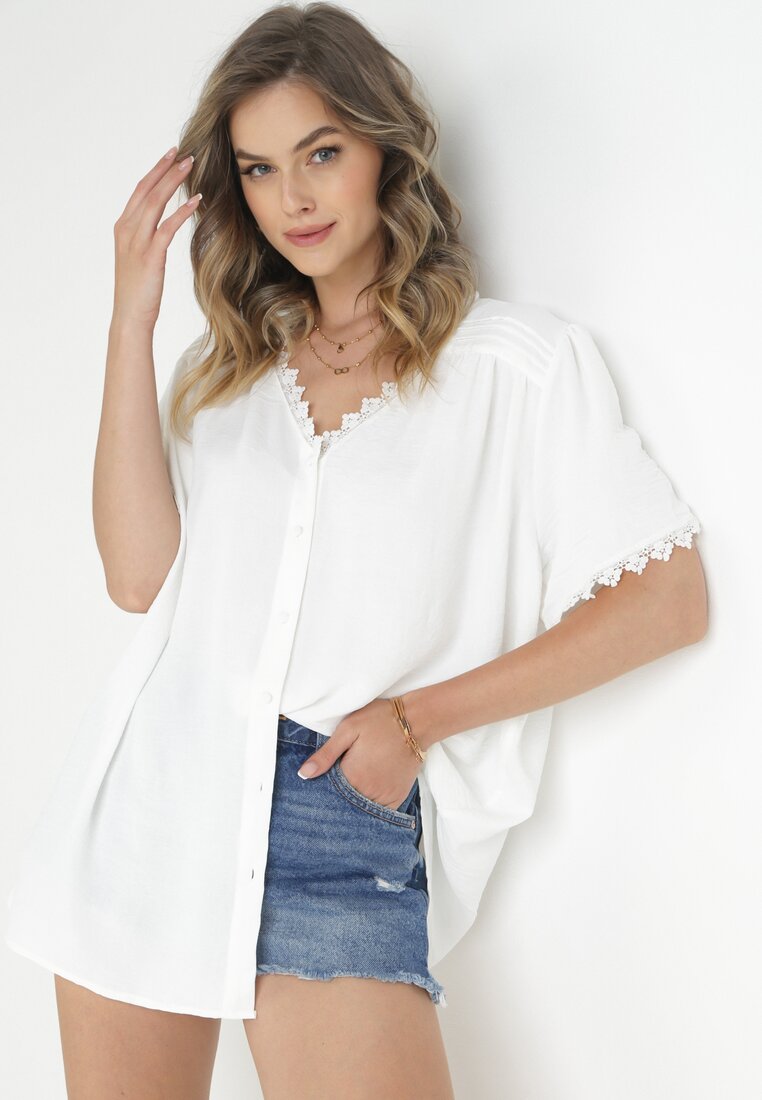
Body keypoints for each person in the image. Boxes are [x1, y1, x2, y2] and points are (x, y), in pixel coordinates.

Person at [4, 3, 708, 1098]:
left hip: (339, 813)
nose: (292, 197)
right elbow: (137, 579)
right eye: (259, 168)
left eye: (321, 153)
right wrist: (131, 319)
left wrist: (416, 721)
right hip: (156, 805)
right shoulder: (222, 379)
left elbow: (669, 600)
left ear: (385, 148)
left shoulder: (518, 367)